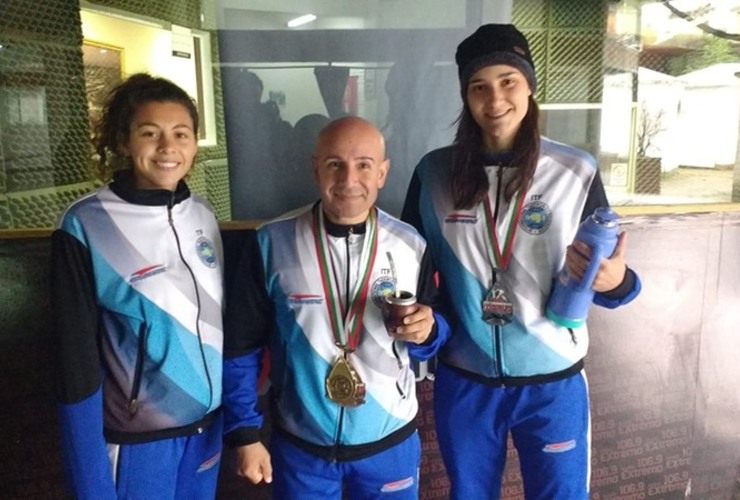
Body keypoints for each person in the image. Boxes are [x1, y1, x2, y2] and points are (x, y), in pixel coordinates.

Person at [401, 24, 642, 500]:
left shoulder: (576, 170)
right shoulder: (433, 174)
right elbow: (413, 280)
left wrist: (615, 282)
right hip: (466, 380)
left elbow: (606, 269)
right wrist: (427, 333)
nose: (495, 99)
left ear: (530, 86)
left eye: (508, 80)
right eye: (479, 87)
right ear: (466, 97)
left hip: (553, 381)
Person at [222, 116, 450, 499]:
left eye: (363, 165)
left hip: (389, 441)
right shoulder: (271, 243)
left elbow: (439, 327)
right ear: (316, 169)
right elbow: (240, 345)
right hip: (301, 447)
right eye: (334, 165)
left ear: (382, 173)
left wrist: (430, 331)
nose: (348, 180)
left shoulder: (412, 245)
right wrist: (243, 432)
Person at [51, 73, 224, 499]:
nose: (168, 147)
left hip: (207, 431)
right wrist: (90, 477)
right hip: (137, 440)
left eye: (181, 134)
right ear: (124, 141)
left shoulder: (201, 213)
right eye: (150, 133)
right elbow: (72, 361)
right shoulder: (87, 224)